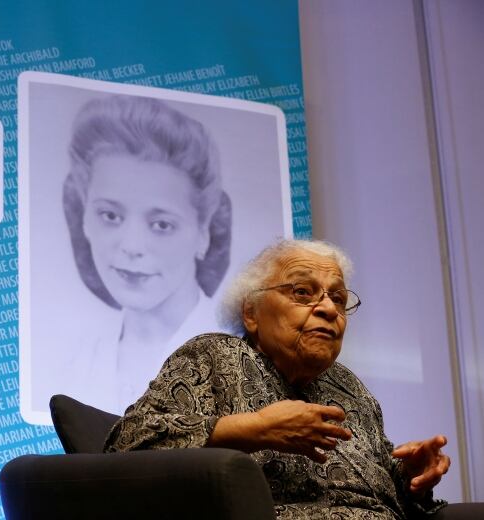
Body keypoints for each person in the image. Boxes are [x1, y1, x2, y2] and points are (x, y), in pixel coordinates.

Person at [104, 239, 450, 519]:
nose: (330, 309)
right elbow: (129, 444)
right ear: (251, 313)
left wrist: (411, 476)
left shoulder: (350, 388)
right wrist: (255, 429)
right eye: (302, 292)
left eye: (339, 298)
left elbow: (387, 493)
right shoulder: (212, 356)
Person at [60, 94, 232, 413]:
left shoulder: (239, 362)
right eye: (110, 216)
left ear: (203, 232)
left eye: (161, 224)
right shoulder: (73, 365)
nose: (132, 246)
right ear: (84, 216)